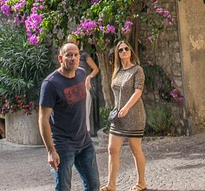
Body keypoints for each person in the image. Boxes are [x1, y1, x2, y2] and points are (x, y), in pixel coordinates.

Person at [39, 42, 99, 191]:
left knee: (94, 185)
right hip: (63, 145)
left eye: (76, 54)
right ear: (61, 58)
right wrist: (51, 151)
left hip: (84, 141)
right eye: (69, 55)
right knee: (64, 188)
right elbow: (43, 119)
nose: (73, 58)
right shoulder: (50, 84)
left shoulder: (81, 73)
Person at [103, 42, 146, 191]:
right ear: (117, 54)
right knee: (112, 149)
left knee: (135, 149)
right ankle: (111, 185)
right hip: (118, 118)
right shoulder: (117, 71)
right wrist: (117, 109)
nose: (124, 51)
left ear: (130, 51)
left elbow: (138, 91)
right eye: (120, 50)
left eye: (126, 49)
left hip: (134, 115)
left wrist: (126, 108)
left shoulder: (137, 70)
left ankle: (141, 183)